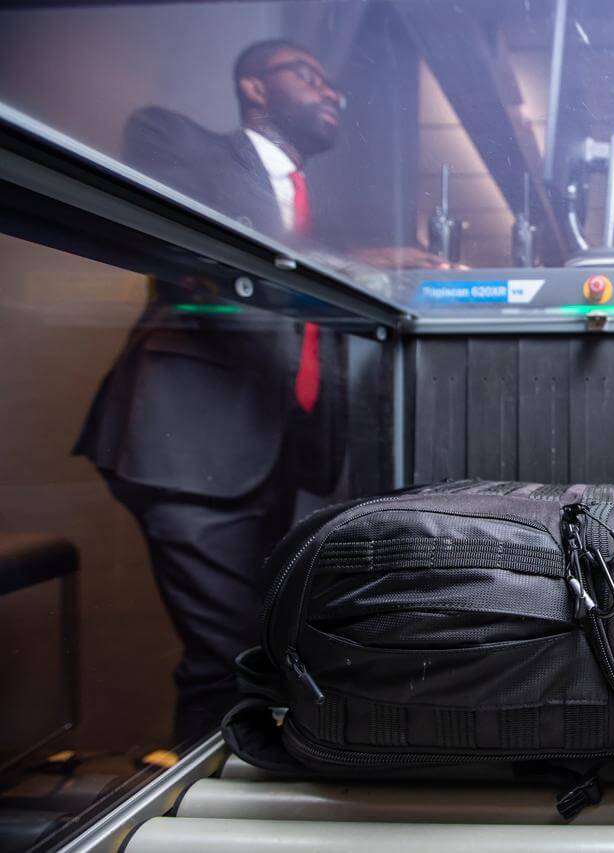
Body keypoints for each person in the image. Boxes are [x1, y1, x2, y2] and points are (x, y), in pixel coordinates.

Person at [74, 39, 436, 741]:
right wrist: (354, 265)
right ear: (256, 89)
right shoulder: (176, 141)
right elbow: (194, 244)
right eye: (308, 76)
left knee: (261, 653)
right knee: (226, 658)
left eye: (334, 84)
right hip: (187, 442)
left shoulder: (313, 210)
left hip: (285, 457)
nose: (330, 92)